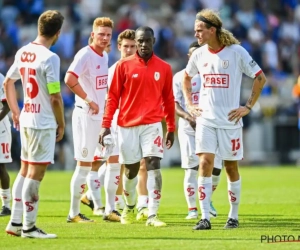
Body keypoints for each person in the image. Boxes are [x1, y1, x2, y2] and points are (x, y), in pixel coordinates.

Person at [182, 9, 266, 230]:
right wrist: (190, 104)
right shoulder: (199, 54)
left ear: (212, 30)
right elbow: (186, 78)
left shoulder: (236, 52)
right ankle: (204, 217)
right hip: (206, 120)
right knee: (204, 163)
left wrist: (247, 107)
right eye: (195, 31)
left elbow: (260, 77)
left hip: (229, 121)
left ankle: (233, 216)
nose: (196, 35)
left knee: (230, 167)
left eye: (200, 30)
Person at [100, 26, 175, 227]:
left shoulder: (164, 68)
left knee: (153, 164)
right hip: (127, 125)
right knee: (130, 171)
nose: (142, 45)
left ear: (154, 41)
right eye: (139, 41)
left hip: (152, 124)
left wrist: (171, 127)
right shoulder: (123, 66)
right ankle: (130, 206)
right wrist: (105, 125)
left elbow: (168, 100)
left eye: (146, 41)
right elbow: (112, 97)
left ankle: (152, 214)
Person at [4, 10, 65, 238]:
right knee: (35, 175)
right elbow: (55, 97)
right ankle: (29, 227)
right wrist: (61, 123)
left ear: (39, 27)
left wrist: (15, 111)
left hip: (27, 119)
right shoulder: (50, 57)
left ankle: (14, 223)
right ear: (57, 33)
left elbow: (9, 81)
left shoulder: (24, 52)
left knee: (24, 171)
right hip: (43, 122)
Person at [64, 17, 113, 223]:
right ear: (92, 34)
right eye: (101, 34)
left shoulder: (104, 56)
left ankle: (88, 198)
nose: (104, 38)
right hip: (85, 115)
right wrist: (88, 99)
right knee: (84, 165)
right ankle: (73, 213)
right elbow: (69, 78)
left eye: (108, 35)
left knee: (104, 159)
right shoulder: (85, 54)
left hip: (99, 117)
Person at [173, 41, 223, 220]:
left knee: (216, 168)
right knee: (192, 168)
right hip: (188, 128)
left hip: (210, 125)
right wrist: (188, 117)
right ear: (189, 57)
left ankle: (206, 199)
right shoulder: (179, 77)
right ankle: (192, 209)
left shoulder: (211, 75)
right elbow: (175, 103)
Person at [0, 73, 12, 217]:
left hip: (1, 127)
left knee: (1, 166)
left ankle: (6, 206)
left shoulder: (1, 78)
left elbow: (7, 105)